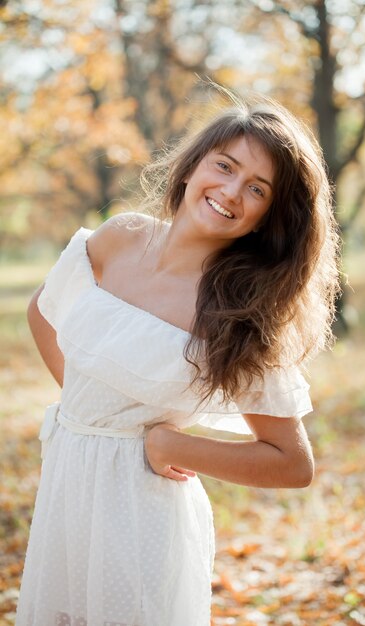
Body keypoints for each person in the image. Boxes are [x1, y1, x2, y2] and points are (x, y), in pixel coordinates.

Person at [16, 93, 340, 626]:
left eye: (256, 189)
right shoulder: (120, 238)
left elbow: (292, 463)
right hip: (65, 492)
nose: (231, 191)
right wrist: (84, 410)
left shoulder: (241, 312)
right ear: (192, 167)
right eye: (225, 166)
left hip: (142, 518)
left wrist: (174, 444)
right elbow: (42, 310)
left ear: (267, 217)